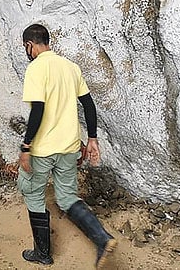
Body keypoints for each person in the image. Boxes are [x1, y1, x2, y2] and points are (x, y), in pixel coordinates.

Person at [17, 24, 117, 268]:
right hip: (70, 148)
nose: (27, 52)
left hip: (43, 150)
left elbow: (38, 110)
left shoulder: (36, 69)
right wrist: (92, 138)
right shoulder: (71, 67)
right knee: (67, 198)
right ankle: (103, 239)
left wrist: (26, 146)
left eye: (25, 48)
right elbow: (89, 105)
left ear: (30, 45)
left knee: (32, 192)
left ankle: (42, 254)